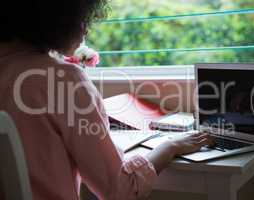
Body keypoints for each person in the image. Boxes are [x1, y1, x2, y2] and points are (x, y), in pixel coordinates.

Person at [0, 1, 212, 199]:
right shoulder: (62, 80)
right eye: (83, 19)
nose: (86, 29)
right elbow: (119, 190)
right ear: (56, 18)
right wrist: (170, 146)